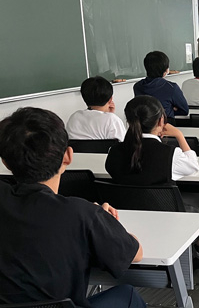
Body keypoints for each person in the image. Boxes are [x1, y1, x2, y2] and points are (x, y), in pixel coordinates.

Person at [0, 107, 145, 308]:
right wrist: (104, 220)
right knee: (128, 295)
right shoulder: (82, 214)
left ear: (5, 162)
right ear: (68, 156)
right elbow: (135, 253)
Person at [105, 95, 199, 259]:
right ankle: (198, 257)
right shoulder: (169, 154)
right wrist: (179, 135)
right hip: (166, 218)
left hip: (127, 218)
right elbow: (193, 166)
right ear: (161, 121)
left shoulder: (114, 151)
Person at [134, 51, 189, 123]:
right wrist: (170, 110)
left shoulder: (137, 86)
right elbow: (185, 110)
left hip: (144, 127)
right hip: (166, 127)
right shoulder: (171, 87)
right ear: (166, 70)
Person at [66, 76, 126, 141]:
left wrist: (108, 115)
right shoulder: (113, 121)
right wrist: (109, 116)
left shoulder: (74, 118)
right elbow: (124, 147)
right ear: (110, 99)